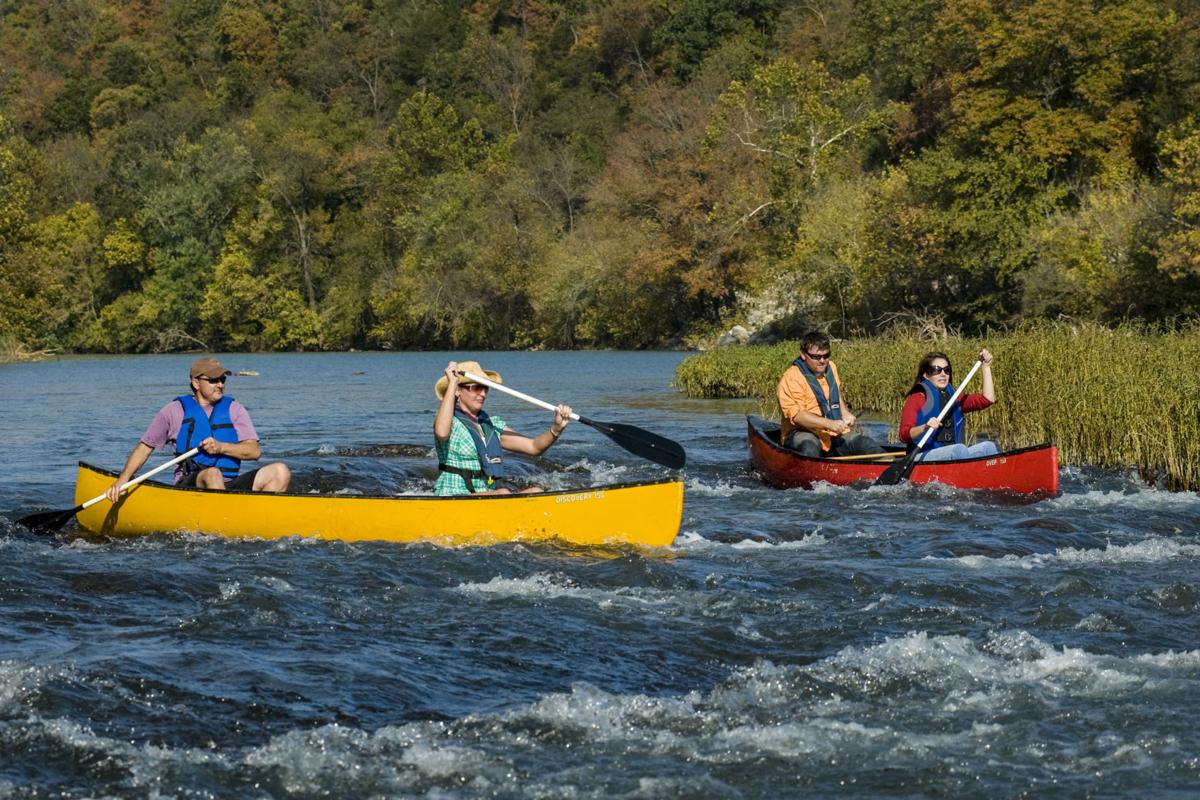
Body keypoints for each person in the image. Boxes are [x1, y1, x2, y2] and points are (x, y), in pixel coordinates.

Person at [104, 357, 291, 502]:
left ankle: (260, 519)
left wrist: (221, 447)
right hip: (190, 485)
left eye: (222, 379)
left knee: (280, 471)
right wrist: (124, 479)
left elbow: (254, 451)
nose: (220, 384)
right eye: (213, 380)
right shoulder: (173, 411)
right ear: (196, 382)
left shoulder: (235, 409)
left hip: (229, 485)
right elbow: (145, 447)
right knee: (212, 473)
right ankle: (225, 524)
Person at [434, 360, 572, 496]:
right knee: (503, 493)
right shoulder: (448, 420)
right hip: (453, 493)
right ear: (458, 391)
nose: (482, 394)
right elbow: (441, 433)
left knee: (536, 492)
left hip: (485, 493)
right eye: (476, 388)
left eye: (485, 388)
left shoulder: (492, 425)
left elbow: (534, 447)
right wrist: (452, 382)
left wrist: (556, 428)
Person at [777, 331, 885, 458]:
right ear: (803, 355)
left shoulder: (831, 367)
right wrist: (829, 423)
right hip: (801, 432)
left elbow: (835, 394)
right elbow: (798, 416)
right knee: (810, 448)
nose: (822, 361)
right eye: (816, 357)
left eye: (826, 355)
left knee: (866, 444)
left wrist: (844, 413)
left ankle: (889, 468)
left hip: (832, 432)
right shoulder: (791, 378)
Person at [899, 349, 998, 462]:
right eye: (937, 370)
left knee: (988, 447)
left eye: (947, 370)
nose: (943, 374)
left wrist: (986, 367)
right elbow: (903, 435)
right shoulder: (917, 398)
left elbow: (988, 399)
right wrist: (925, 427)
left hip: (952, 454)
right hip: (922, 456)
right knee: (958, 450)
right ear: (926, 375)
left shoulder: (955, 398)